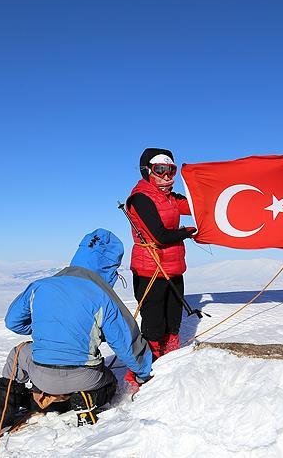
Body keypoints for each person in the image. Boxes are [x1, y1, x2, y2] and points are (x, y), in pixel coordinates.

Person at [0, 229, 153, 432]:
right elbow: (125, 343)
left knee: (19, 352)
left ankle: (0, 414)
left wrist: (49, 331)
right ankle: (89, 399)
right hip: (85, 377)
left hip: (41, 376)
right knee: (109, 381)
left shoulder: (40, 286)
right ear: (109, 267)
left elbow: (13, 322)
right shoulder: (101, 294)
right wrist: (143, 374)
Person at [124, 148, 195, 386]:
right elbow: (161, 235)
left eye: (170, 170)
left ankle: (170, 356)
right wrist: (186, 232)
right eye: (160, 170)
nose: (166, 176)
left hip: (174, 267)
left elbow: (199, 206)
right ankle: (143, 371)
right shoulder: (141, 198)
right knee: (154, 323)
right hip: (150, 270)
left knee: (173, 317)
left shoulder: (170, 197)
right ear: (147, 171)